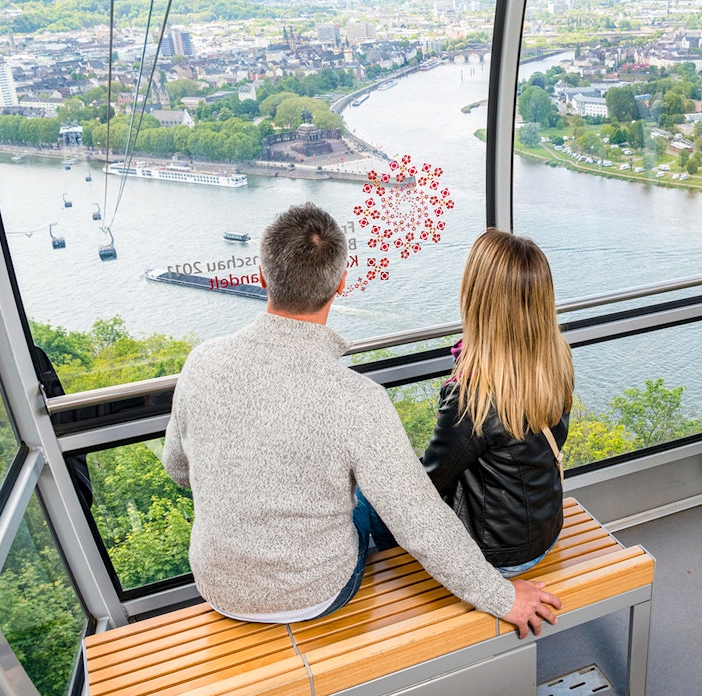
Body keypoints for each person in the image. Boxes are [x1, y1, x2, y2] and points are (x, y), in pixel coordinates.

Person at [161, 203, 560, 637]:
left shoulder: (200, 363)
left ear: (261, 276)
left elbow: (179, 471)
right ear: (341, 283)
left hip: (218, 587)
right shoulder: (358, 399)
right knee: (374, 501)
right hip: (318, 592)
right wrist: (503, 598)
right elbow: (418, 519)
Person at [420, 229, 574, 576]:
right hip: (543, 531)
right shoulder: (554, 361)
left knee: (368, 505)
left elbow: (430, 481)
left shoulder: (473, 396)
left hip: (497, 554)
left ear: (477, 298)